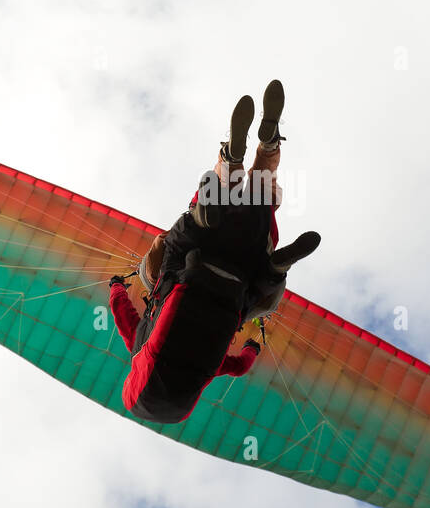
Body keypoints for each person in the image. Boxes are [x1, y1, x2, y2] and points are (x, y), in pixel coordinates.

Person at [108, 80, 321, 424]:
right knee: (158, 262)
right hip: (192, 259)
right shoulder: (139, 347)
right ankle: (224, 169)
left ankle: (276, 268)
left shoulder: (210, 368)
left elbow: (239, 367)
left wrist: (252, 346)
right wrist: (117, 286)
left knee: (264, 299)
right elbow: (122, 315)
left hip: (241, 277)